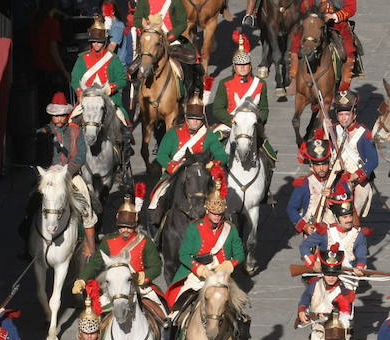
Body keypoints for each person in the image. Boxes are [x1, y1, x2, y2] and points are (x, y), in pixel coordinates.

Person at [72, 195, 174, 340]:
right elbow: (95, 263)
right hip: (115, 291)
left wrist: (144, 276)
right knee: (90, 320)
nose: (126, 230)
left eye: (129, 226)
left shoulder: (145, 241)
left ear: (135, 225)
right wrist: (81, 279)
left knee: (165, 319)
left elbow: (156, 266)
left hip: (141, 288)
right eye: (122, 226)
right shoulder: (108, 241)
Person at [168, 180, 258, 340]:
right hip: (198, 276)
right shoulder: (194, 228)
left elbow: (239, 253)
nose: (216, 217)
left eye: (219, 214)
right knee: (174, 315)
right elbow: (184, 254)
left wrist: (230, 264)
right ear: (207, 211)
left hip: (221, 278)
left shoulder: (231, 229)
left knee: (240, 316)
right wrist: (198, 268)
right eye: (213, 213)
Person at [211, 31, 277, 184]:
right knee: (211, 149)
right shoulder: (224, 83)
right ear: (234, 66)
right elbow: (218, 109)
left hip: (252, 124)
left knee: (270, 155)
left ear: (250, 66)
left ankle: (265, 189)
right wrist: (232, 120)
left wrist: (257, 120)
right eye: (239, 65)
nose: (242, 68)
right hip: (229, 124)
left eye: (245, 65)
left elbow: (265, 108)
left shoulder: (260, 84)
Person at [39, 92, 99, 257]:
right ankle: (30, 241)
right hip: (50, 175)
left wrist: (67, 172)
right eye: (55, 116)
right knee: (33, 201)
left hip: (70, 175)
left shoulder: (76, 131)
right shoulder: (45, 131)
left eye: (61, 116)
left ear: (67, 115)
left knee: (85, 202)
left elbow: (80, 156)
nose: (58, 119)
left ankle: (90, 245)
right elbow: (42, 154)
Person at [148, 93, 228, 213]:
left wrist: (211, 165)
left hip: (200, 176)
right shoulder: (173, 133)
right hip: (175, 174)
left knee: (217, 205)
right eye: (192, 118)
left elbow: (222, 156)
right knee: (155, 201)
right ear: (186, 117)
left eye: (198, 119)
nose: (195, 122)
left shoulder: (209, 135)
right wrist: (173, 167)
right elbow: (162, 155)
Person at [70, 16, 130, 126]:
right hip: (87, 99)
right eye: (93, 41)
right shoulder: (82, 58)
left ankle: (124, 142)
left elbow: (122, 80)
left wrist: (110, 88)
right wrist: (80, 92)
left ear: (105, 42)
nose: (96, 44)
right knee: (72, 124)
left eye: (99, 42)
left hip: (109, 99)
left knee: (123, 124)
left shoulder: (113, 59)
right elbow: (74, 79)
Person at [287, 136, 351, 235]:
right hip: (312, 229)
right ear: (311, 165)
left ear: (329, 163)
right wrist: (304, 226)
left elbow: (348, 201)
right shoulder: (304, 183)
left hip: (335, 229)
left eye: (324, 164)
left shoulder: (337, 179)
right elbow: (291, 208)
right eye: (317, 165)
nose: (321, 168)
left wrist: (333, 195)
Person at [329, 89, 377, 218]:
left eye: (347, 114)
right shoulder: (332, 130)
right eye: (340, 115)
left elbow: (373, 161)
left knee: (354, 211)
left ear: (354, 115)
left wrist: (356, 175)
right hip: (335, 177)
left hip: (357, 179)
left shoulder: (364, 133)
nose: (344, 118)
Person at [291, 0, 359, 91]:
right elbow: (305, 5)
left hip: (337, 23)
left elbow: (351, 8)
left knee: (348, 47)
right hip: (316, 20)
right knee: (296, 37)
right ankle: (294, 74)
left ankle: (344, 86)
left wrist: (334, 16)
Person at [299, 198, 367, 289]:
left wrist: (360, 266)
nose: (349, 220)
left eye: (350, 216)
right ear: (336, 218)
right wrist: (313, 263)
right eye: (345, 217)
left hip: (346, 275)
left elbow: (361, 256)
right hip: (325, 273)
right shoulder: (325, 232)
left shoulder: (358, 235)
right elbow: (304, 246)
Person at [297, 251, 354, 340]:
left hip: (335, 333)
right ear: (323, 273)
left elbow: (345, 315)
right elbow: (306, 297)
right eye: (328, 274)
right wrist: (301, 310)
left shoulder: (344, 291)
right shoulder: (315, 285)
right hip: (318, 329)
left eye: (334, 274)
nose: (331, 277)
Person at [31, 0, 70, 125]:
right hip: (51, 69)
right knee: (55, 106)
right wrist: (64, 71)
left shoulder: (36, 23)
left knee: (42, 106)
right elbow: (53, 50)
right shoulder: (52, 23)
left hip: (37, 68)